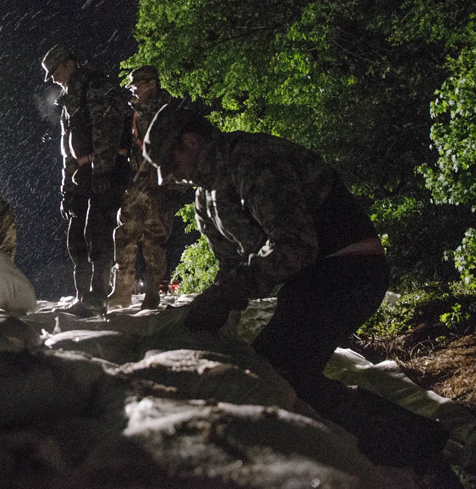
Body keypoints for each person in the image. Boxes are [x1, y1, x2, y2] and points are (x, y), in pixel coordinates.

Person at [142, 106, 450, 467]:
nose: (167, 177)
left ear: (191, 140)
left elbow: (296, 244)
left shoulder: (251, 159)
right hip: (311, 280)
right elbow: (231, 267)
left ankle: (421, 456)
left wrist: (235, 289)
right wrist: (215, 309)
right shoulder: (205, 199)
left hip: (351, 266)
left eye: (169, 160)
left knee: (280, 371)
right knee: (272, 369)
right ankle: (403, 445)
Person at [41, 45, 129, 316]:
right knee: (76, 236)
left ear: (70, 63)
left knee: (98, 233)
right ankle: (83, 296)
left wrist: (104, 171)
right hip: (82, 174)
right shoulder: (68, 100)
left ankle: (98, 297)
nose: (54, 78)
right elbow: (68, 148)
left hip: (105, 170)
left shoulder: (96, 87)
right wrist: (66, 188)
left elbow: (108, 130)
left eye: (56, 70)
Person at [109, 66, 189, 310]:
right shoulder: (132, 113)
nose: (133, 91)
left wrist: (173, 188)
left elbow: (178, 153)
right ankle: (121, 290)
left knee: (156, 239)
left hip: (159, 187)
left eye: (137, 86)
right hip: (133, 186)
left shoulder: (170, 113)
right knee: (124, 235)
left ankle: (152, 293)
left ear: (152, 84)